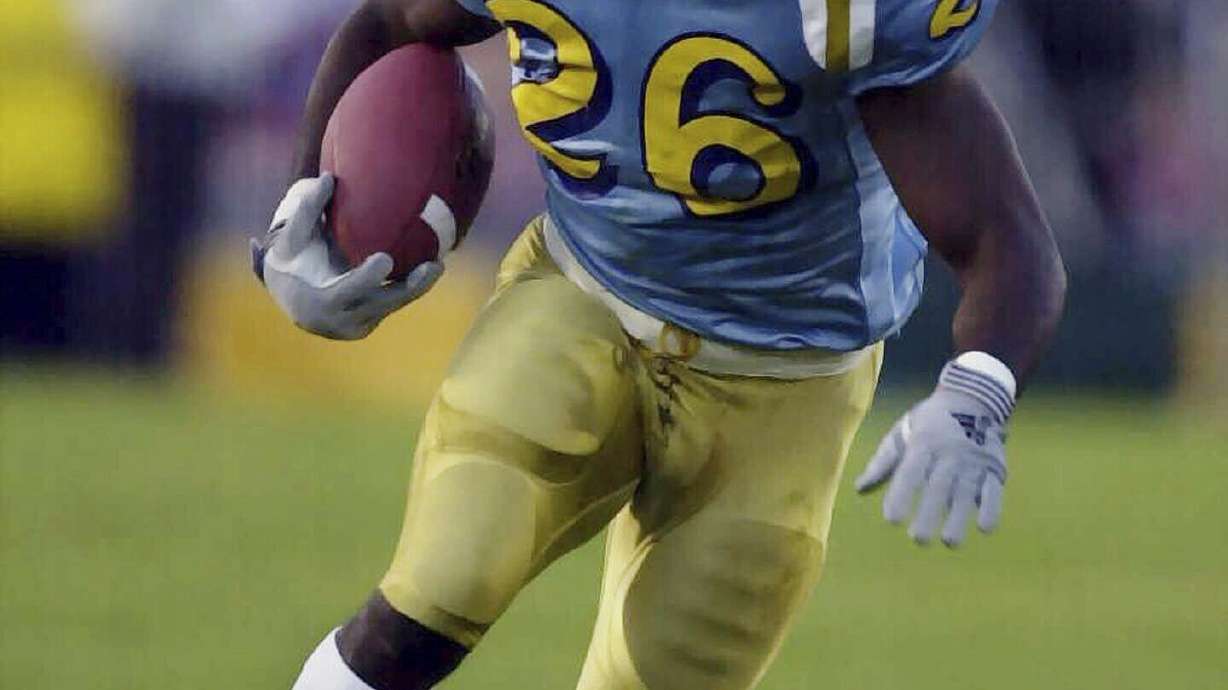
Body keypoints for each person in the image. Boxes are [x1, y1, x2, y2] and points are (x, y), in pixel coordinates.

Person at [251, 1, 1066, 688]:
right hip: (584, 299)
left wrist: (979, 388)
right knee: (441, 583)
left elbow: (1006, 238)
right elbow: (390, 19)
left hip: (788, 381)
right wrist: (302, 213)